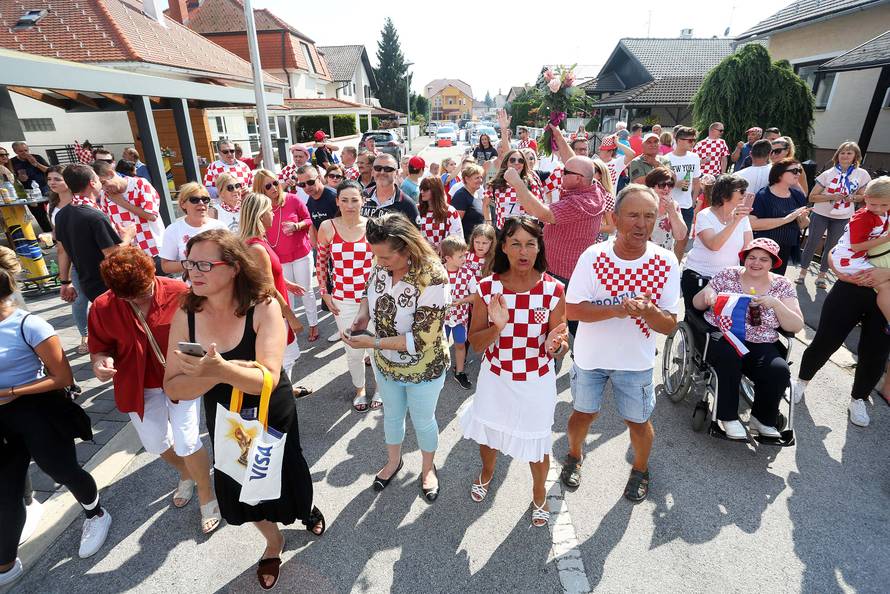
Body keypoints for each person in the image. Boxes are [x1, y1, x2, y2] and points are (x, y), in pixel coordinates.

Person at [163, 230, 325, 590]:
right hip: (224, 414)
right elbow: (173, 387)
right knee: (241, 482)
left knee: (285, 470)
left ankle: (303, 510)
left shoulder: (263, 303)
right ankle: (273, 541)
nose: (193, 272)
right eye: (190, 264)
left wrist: (216, 370)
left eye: (205, 264)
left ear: (235, 267)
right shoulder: (186, 313)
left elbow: (265, 379)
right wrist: (213, 375)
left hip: (271, 406)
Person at [561, 185, 681, 502]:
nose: (641, 224)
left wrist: (650, 311)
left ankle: (640, 469)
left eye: (649, 216)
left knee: (638, 422)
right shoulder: (594, 256)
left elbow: (669, 326)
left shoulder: (666, 262)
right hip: (590, 358)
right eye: (633, 215)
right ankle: (574, 456)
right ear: (614, 218)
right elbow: (572, 309)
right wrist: (616, 309)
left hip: (635, 362)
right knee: (582, 415)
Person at [0, 249, 111, 587]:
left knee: (62, 471)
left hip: (38, 410)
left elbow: (62, 378)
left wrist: (14, 391)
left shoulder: (27, 324)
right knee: (4, 491)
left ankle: (96, 513)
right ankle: (5, 563)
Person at [89, 247, 220, 531]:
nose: (138, 299)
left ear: (153, 274)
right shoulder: (103, 306)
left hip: (181, 377)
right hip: (138, 383)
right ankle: (187, 473)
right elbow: (99, 347)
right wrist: (100, 362)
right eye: (128, 297)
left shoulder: (179, 291)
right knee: (155, 442)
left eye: (144, 291)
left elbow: (208, 328)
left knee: (186, 440)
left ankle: (206, 492)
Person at [460, 216, 568, 526]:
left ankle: (539, 493)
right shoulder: (487, 288)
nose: (523, 251)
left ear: (539, 247)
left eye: (530, 244)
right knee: (489, 434)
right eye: (516, 243)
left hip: (536, 380)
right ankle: (487, 473)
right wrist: (499, 326)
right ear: (503, 246)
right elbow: (476, 344)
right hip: (496, 377)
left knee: (537, 443)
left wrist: (555, 345)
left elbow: (560, 342)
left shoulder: (553, 289)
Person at [341, 213, 450, 503]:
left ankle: (428, 469)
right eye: (376, 256)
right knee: (392, 416)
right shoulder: (381, 265)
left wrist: (372, 342)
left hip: (423, 368)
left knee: (423, 421)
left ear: (407, 248)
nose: (379, 263)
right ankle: (393, 462)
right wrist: (361, 320)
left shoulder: (433, 276)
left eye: (386, 257)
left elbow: (422, 339)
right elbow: (369, 293)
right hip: (387, 364)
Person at [692, 238, 804, 439]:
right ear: (744, 259)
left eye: (763, 259)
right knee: (729, 356)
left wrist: (777, 305)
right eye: (752, 257)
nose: (756, 263)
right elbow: (697, 303)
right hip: (724, 333)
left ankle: (762, 420)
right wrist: (708, 292)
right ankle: (727, 417)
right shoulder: (728, 275)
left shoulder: (782, 285)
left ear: (773, 263)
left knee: (779, 370)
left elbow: (795, 325)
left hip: (761, 341)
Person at [315, 181, 377, 411]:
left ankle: (380, 388)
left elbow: (383, 263)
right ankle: (360, 388)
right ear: (337, 202)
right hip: (342, 299)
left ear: (362, 200)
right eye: (345, 200)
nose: (350, 205)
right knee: (353, 350)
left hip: (372, 300)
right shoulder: (327, 227)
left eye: (354, 200)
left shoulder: (373, 226)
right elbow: (320, 262)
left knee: (376, 347)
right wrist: (325, 293)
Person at [239, 193, 308, 388]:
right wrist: (292, 317)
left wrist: (287, 283)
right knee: (284, 360)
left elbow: (269, 273)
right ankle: (282, 398)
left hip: (273, 308)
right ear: (261, 216)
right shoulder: (256, 247)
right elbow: (268, 287)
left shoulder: (256, 242)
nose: (273, 214)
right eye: (270, 211)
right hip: (274, 312)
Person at [252, 170, 318, 343]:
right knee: (285, 294)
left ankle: (313, 324)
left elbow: (309, 219)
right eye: (268, 186)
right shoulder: (261, 208)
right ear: (260, 189)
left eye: (275, 183)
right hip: (279, 257)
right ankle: (290, 326)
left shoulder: (292, 199)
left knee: (305, 289)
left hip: (301, 253)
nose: (274, 187)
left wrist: (297, 226)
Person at [56, 165, 136, 305]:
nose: (100, 182)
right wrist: (128, 236)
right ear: (92, 183)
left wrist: (65, 282)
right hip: (109, 286)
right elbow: (112, 255)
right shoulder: (94, 216)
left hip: (88, 285)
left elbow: (62, 251)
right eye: (98, 179)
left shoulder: (62, 214)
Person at [798, 141, 872, 287]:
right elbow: (812, 197)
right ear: (837, 155)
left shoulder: (862, 174)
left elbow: (864, 196)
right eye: (842, 153)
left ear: (855, 156)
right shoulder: (828, 173)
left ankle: (821, 276)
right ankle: (802, 273)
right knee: (812, 243)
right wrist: (831, 196)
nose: (845, 156)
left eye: (849, 153)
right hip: (821, 213)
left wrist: (853, 198)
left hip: (842, 216)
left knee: (832, 246)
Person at [682, 174, 754, 310]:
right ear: (724, 194)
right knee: (698, 323)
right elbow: (714, 245)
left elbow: (748, 249)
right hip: (700, 275)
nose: (745, 194)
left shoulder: (742, 218)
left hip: (728, 279)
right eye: (741, 191)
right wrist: (734, 221)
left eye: (746, 190)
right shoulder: (704, 215)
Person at [828, 178, 890, 331]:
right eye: (873, 204)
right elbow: (855, 246)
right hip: (849, 260)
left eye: (884, 204)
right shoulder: (863, 217)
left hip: (853, 259)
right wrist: (886, 239)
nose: (878, 208)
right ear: (866, 197)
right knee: (885, 287)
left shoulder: (882, 212)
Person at [47, 165, 89, 354]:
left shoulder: (80, 201)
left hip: (90, 256)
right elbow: (60, 244)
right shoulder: (52, 206)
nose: (52, 183)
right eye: (49, 179)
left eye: (57, 179)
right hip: (72, 259)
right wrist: (64, 279)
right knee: (79, 300)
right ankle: (85, 335)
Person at [94, 160, 166, 268]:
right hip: (131, 256)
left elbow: (151, 215)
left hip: (154, 251)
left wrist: (122, 202)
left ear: (111, 173)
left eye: (104, 183)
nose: (104, 188)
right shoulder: (105, 196)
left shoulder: (140, 184)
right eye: (101, 186)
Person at [750, 158, 810, 276]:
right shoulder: (763, 195)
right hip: (764, 249)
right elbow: (753, 224)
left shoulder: (798, 195)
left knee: (775, 282)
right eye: (794, 170)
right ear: (780, 174)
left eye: (799, 170)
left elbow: (802, 225)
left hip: (785, 248)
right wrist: (785, 219)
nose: (798, 173)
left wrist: (803, 220)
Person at [159, 183, 226, 276]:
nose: (201, 203)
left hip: (217, 282)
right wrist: (190, 264)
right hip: (190, 285)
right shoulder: (173, 230)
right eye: (194, 200)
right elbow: (165, 266)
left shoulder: (220, 227)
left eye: (205, 200)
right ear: (183, 204)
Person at [440, 236, 477, 390]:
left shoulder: (468, 274)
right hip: (441, 318)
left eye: (465, 255)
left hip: (460, 318)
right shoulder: (438, 272)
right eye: (460, 256)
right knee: (440, 345)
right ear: (448, 257)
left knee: (460, 344)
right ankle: (439, 371)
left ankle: (459, 372)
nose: (464, 259)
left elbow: (476, 295)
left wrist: (462, 301)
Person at [665, 126, 703, 261]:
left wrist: (694, 201)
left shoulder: (694, 157)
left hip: (686, 206)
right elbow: (660, 183)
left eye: (694, 140)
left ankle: (675, 266)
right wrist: (676, 184)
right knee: (666, 240)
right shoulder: (666, 159)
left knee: (682, 241)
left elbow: (697, 181)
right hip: (668, 205)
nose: (693, 143)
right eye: (690, 140)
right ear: (679, 140)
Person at [484, 149, 544, 229]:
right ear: (506, 163)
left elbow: (538, 208)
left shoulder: (531, 183)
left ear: (524, 164)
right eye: (512, 160)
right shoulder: (494, 184)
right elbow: (485, 205)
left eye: (520, 160)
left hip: (525, 232)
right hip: (502, 232)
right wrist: (489, 223)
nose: (516, 163)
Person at [360, 154, 421, 224]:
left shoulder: (407, 204)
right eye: (378, 168)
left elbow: (415, 233)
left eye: (388, 169)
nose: (382, 172)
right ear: (373, 172)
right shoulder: (360, 197)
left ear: (396, 173)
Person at [9, 141, 52, 232]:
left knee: (53, 210)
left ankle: (62, 232)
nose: (25, 153)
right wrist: (20, 179)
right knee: (39, 215)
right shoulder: (12, 162)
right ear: (15, 151)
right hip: (29, 192)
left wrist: (36, 164)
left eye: (26, 150)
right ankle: (50, 236)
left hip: (45, 188)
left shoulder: (36, 157)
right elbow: (12, 178)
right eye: (21, 151)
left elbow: (50, 170)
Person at [644, 167, 687, 252]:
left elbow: (680, 236)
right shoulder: (642, 205)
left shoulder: (674, 205)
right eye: (662, 185)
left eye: (670, 184)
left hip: (664, 256)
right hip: (644, 255)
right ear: (651, 186)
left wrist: (672, 212)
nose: (666, 188)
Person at [419, 176, 463, 250]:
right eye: (421, 189)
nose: (422, 192)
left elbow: (458, 237)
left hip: (445, 257)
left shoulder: (450, 211)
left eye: (426, 189)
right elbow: (413, 234)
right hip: (424, 256)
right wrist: (425, 244)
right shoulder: (418, 210)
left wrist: (443, 245)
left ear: (436, 190)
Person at [450, 163, 485, 244]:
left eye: (481, 177)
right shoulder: (461, 196)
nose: (480, 180)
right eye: (477, 178)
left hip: (477, 241)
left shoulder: (476, 193)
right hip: (466, 243)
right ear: (467, 179)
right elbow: (455, 224)